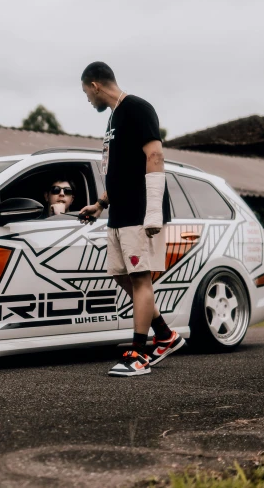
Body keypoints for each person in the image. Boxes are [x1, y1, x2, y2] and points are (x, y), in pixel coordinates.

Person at [77, 61, 185, 377]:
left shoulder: (138, 108)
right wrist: (99, 204)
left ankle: (139, 354)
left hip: (140, 210)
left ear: (95, 85)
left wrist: (153, 210)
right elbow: (121, 171)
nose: (87, 99)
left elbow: (155, 156)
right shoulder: (113, 119)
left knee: (140, 279)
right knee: (120, 275)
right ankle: (165, 335)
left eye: (86, 93)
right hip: (119, 212)